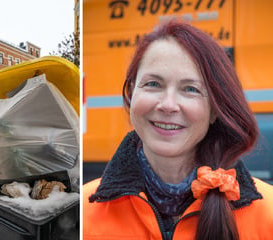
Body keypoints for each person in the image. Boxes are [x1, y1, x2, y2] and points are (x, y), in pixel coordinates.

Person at [83, 21, 273, 240]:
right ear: (131, 93)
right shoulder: (86, 211)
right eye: (153, 84)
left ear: (214, 110)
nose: (168, 104)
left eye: (190, 89)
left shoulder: (266, 215)